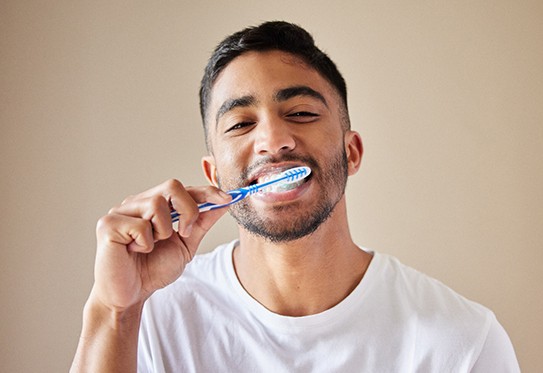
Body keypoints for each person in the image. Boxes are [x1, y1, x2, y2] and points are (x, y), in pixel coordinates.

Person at [71, 21, 520, 372]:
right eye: (241, 124)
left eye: (301, 113)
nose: (273, 139)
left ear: (352, 152)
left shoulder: (463, 344)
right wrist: (114, 311)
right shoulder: (150, 319)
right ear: (214, 174)